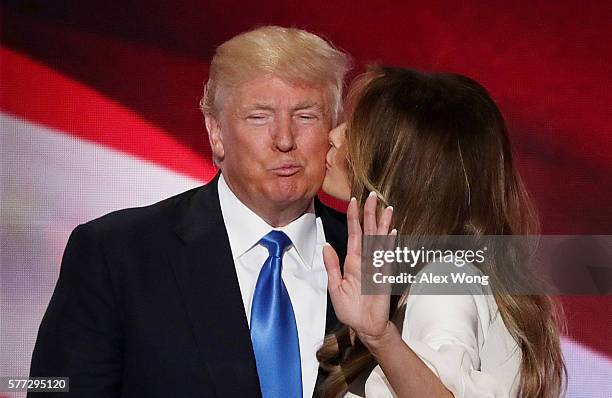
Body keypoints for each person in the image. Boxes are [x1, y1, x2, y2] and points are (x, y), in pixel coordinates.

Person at [29, 26, 350, 397]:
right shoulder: (115, 254)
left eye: (306, 116)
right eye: (259, 117)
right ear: (216, 132)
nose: (284, 139)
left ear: (333, 129)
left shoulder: (381, 259)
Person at [318, 67, 566, 397]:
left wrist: (381, 338)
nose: (333, 135)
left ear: (400, 166)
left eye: (354, 130)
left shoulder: (447, 278)